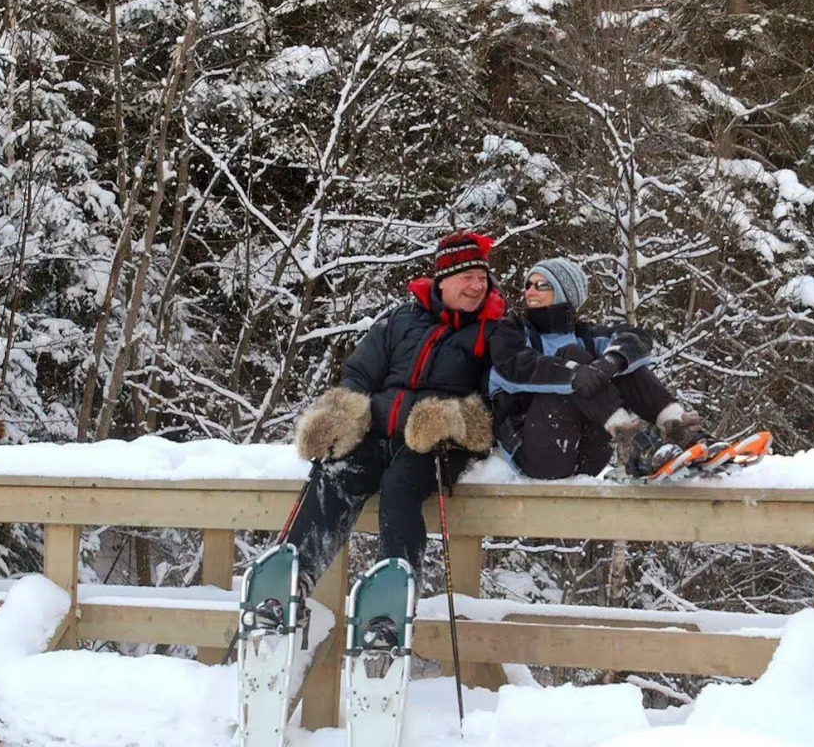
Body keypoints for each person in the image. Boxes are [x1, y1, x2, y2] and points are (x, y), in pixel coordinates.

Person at [253, 232, 505, 638]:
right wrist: (342, 415)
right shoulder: (402, 320)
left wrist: (454, 421)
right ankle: (291, 585)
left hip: (435, 444)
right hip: (378, 434)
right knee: (337, 472)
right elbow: (360, 371)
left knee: (399, 486)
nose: (478, 286)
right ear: (443, 280)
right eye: (468, 277)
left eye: (483, 278)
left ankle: (391, 606)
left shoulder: (493, 332)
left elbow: (496, 401)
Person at [488, 256, 707, 480]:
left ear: (565, 292)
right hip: (536, 455)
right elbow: (515, 367)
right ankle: (632, 442)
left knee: (621, 359)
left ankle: (680, 429)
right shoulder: (513, 332)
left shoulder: (586, 336)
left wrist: (611, 362)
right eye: (528, 285)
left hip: (588, 456)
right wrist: (574, 374)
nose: (530, 292)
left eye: (542, 285)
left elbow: (635, 338)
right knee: (571, 356)